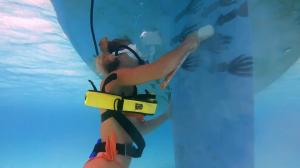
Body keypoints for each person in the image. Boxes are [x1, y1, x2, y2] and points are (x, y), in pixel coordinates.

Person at [84, 25, 213, 168]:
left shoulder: (124, 90)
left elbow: (138, 129)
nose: (139, 54)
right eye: (133, 50)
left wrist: (166, 115)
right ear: (117, 56)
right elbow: (159, 70)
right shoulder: (115, 77)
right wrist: (188, 43)